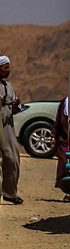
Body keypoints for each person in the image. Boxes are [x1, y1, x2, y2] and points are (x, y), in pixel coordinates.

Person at [0, 55, 23, 204]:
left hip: (6, 127)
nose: (8, 70)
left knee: (12, 158)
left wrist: (15, 105)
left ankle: (9, 193)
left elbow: (14, 109)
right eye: (5, 67)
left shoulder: (8, 86)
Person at [53, 96, 70, 202]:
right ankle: (68, 193)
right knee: (65, 166)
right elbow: (58, 120)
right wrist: (53, 135)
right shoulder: (64, 102)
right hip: (64, 141)